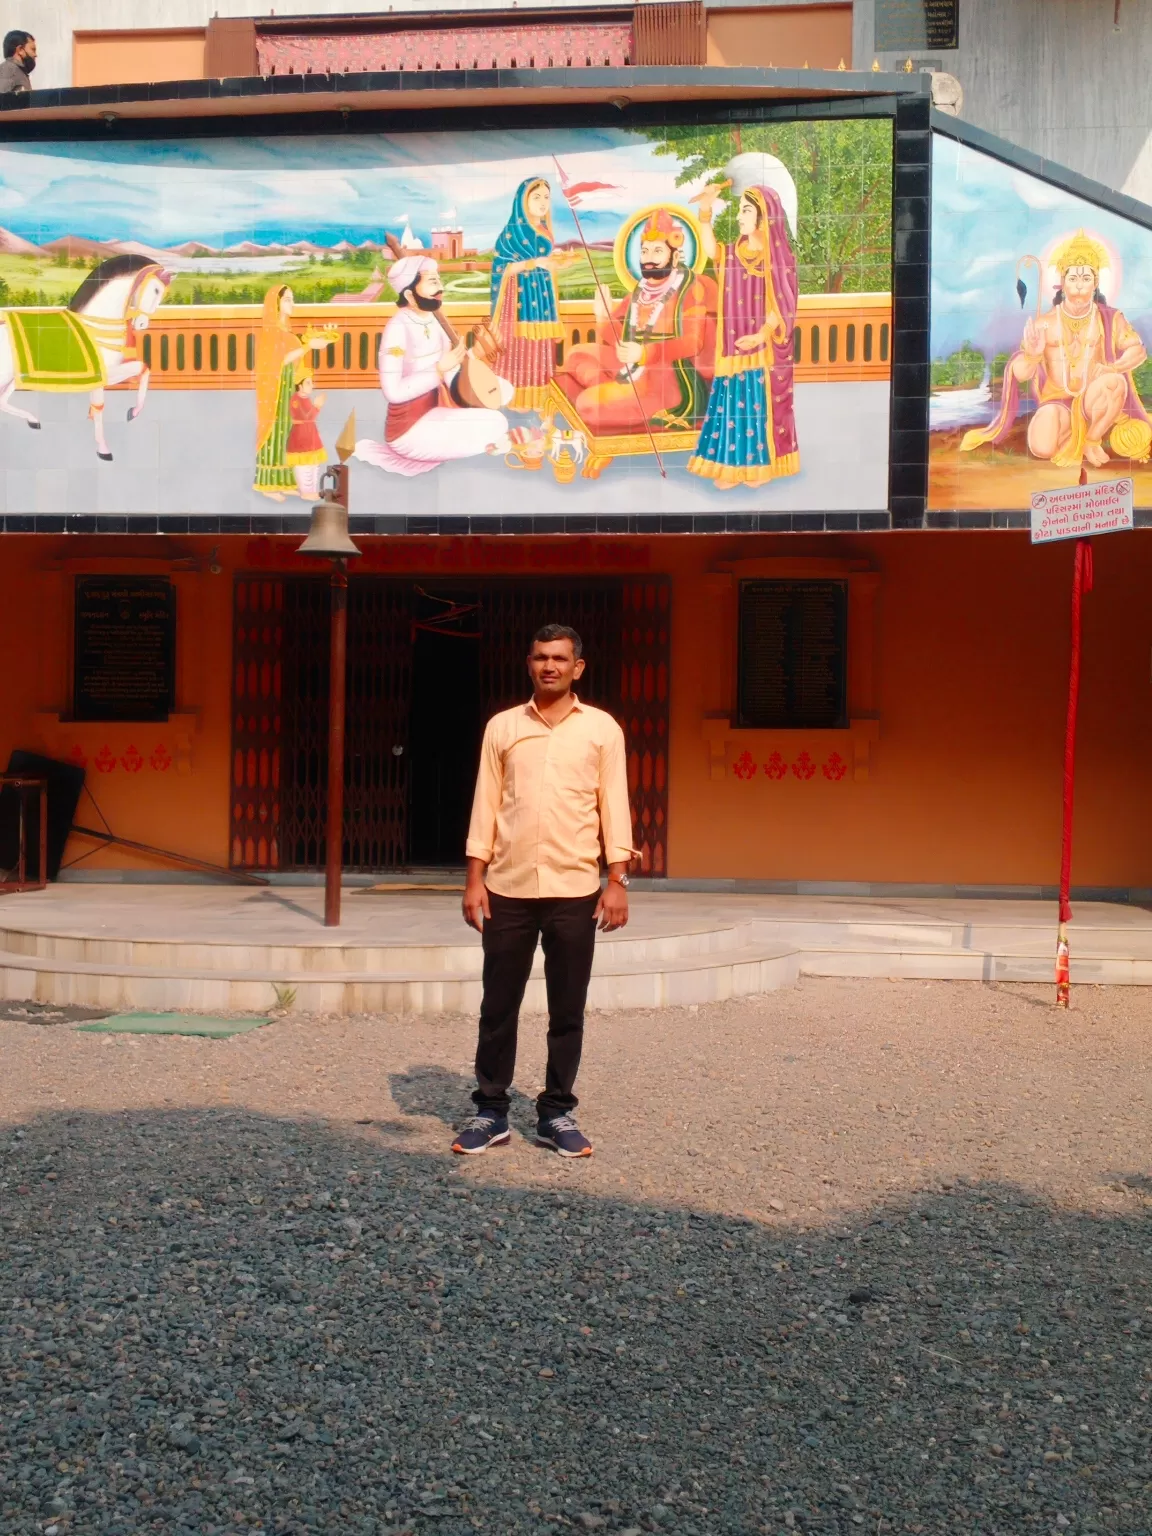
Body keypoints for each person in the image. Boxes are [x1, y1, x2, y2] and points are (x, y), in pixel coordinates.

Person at [455, 625, 636, 1159]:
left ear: (578, 667)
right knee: (498, 1004)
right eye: (540, 657)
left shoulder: (602, 731)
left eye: (560, 658)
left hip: (575, 887)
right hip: (507, 886)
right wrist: (473, 879)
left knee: (567, 1007)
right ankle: (491, 1111)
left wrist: (617, 881)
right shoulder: (503, 727)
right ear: (529, 663)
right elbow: (485, 802)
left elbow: (614, 805)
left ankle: (556, 1112)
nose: (549, 666)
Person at [959, 229, 1151, 468]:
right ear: (1062, 282)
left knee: (1114, 382)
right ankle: (1074, 437)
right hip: (1056, 401)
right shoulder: (1044, 324)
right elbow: (1021, 373)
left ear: (1096, 283)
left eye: (1086, 278)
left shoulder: (1110, 319)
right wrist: (1032, 355)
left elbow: (1138, 351)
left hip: (1093, 400)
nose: (1079, 285)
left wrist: (1112, 366)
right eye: (1073, 278)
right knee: (1041, 447)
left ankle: (1091, 439)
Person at [557, 207, 716, 434]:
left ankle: (615, 395)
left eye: (657, 251)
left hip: (665, 380)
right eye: (645, 251)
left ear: (676, 256)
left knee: (587, 405)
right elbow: (619, 339)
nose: (648, 259)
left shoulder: (691, 289)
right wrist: (602, 318)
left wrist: (644, 354)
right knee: (576, 355)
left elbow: (693, 343)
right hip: (632, 368)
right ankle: (617, 393)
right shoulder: (641, 291)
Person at [353, 252, 513, 477]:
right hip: (410, 428)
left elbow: (453, 373)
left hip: (439, 408)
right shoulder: (398, 327)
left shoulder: (434, 319)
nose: (440, 286)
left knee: (504, 390)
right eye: (431, 281)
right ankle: (422, 449)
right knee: (496, 423)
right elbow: (393, 392)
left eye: (438, 279)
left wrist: (475, 354)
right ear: (409, 294)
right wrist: (438, 370)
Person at [687, 183, 800, 489]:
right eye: (739, 210)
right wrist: (706, 213)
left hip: (761, 348)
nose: (739, 217)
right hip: (732, 345)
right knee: (730, 406)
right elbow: (711, 250)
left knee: (755, 408)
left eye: (746, 210)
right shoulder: (733, 253)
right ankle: (730, 468)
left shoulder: (779, 258)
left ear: (764, 217)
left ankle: (757, 469)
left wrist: (761, 335)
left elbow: (783, 303)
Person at [489, 177, 566, 411]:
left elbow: (547, 263)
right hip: (519, 300)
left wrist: (553, 263)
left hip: (542, 298)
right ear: (523, 201)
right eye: (536, 197)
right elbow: (502, 268)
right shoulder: (512, 232)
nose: (543, 203)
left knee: (540, 345)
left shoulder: (543, 229)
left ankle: (538, 398)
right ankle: (517, 399)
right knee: (520, 346)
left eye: (546, 197)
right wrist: (533, 263)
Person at [253, 285, 331, 501]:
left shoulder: (285, 331)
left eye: (292, 299)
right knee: (274, 433)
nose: (292, 303)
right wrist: (309, 346)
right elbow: (279, 361)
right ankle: (268, 485)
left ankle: (285, 481)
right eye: (287, 299)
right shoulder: (271, 332)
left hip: (288, 388)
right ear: (276, 303)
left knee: (288, 433)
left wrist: (309, 345)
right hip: (275, 392)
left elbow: (292, 360)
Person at [285, 370, 327, 500]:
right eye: (308, 383)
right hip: (300, 437)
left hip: (310, 435)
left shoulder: (305, 398)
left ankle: (312, 491)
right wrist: (318, 406)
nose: (311, 385)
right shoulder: (295, 400)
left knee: (314, 465)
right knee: (303, 467)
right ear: (300, 385)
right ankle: (305, 492)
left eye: (311, 382)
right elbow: (307, 417)